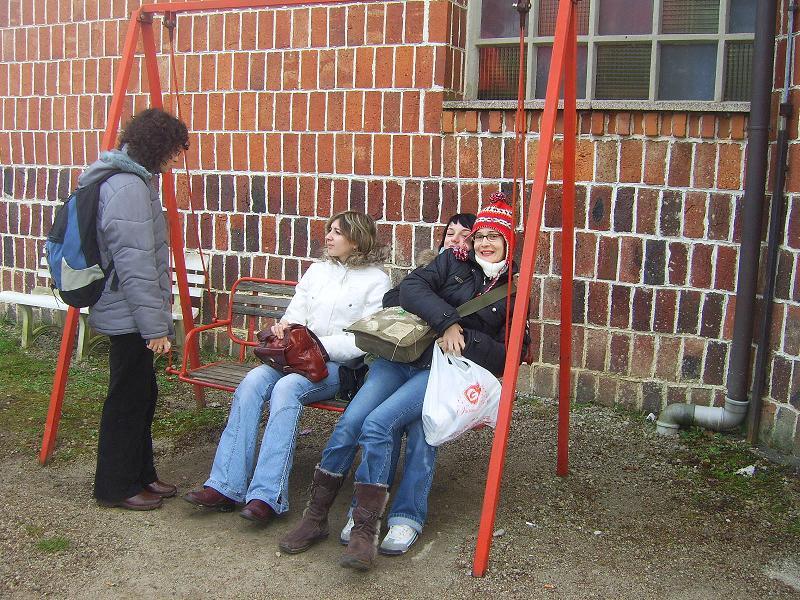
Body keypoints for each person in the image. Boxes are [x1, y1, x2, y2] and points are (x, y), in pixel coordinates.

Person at [279, 194, 520, 570]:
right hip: (398, 357)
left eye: (494, 237)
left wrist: (466, 338)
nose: (484, 243)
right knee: (350, 422)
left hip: (440, 372)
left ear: (508, 242)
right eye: (481, 236)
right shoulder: (452, 262)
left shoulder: (513, 291)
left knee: (379, 423)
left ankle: (366, 527)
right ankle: (316, 516)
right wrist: (446, 321)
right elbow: (407, 290)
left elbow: (509, 355)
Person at [184, 211, 391, 525]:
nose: (329, 236)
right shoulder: (318, 270)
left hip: (336, 368)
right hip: (294, 358)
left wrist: (317, 347)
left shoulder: (376, 280)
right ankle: (225, 485)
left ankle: (267, 495)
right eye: (330, 230)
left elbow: (366, 339)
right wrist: (285, 328)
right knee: (252, 382)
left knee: (286, 388)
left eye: (337, 232)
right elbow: (296, 313)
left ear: (356, 239)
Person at [336, 211, 477, 545]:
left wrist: (427, 303)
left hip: (438, 370)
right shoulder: (428, 268)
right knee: (367, 419)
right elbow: (392, 299)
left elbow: (469, 326)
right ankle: (364, 510)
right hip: (399, 359)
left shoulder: (474, 279)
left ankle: (406, 516)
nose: (455, 241)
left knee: (419, 425)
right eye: (450, 234)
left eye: (465, 236)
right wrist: (431, 303)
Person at [91, 108, 190, 511]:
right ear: (157, 146)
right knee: (127, 400)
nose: (178, 158)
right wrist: (155, 329)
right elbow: (135, 266)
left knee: (143, 394)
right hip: (128, 313)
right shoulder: (128, 187)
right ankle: (116, 486)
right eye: (175, 149)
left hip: (131, 309)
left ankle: (141, 474)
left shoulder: (137, 180)